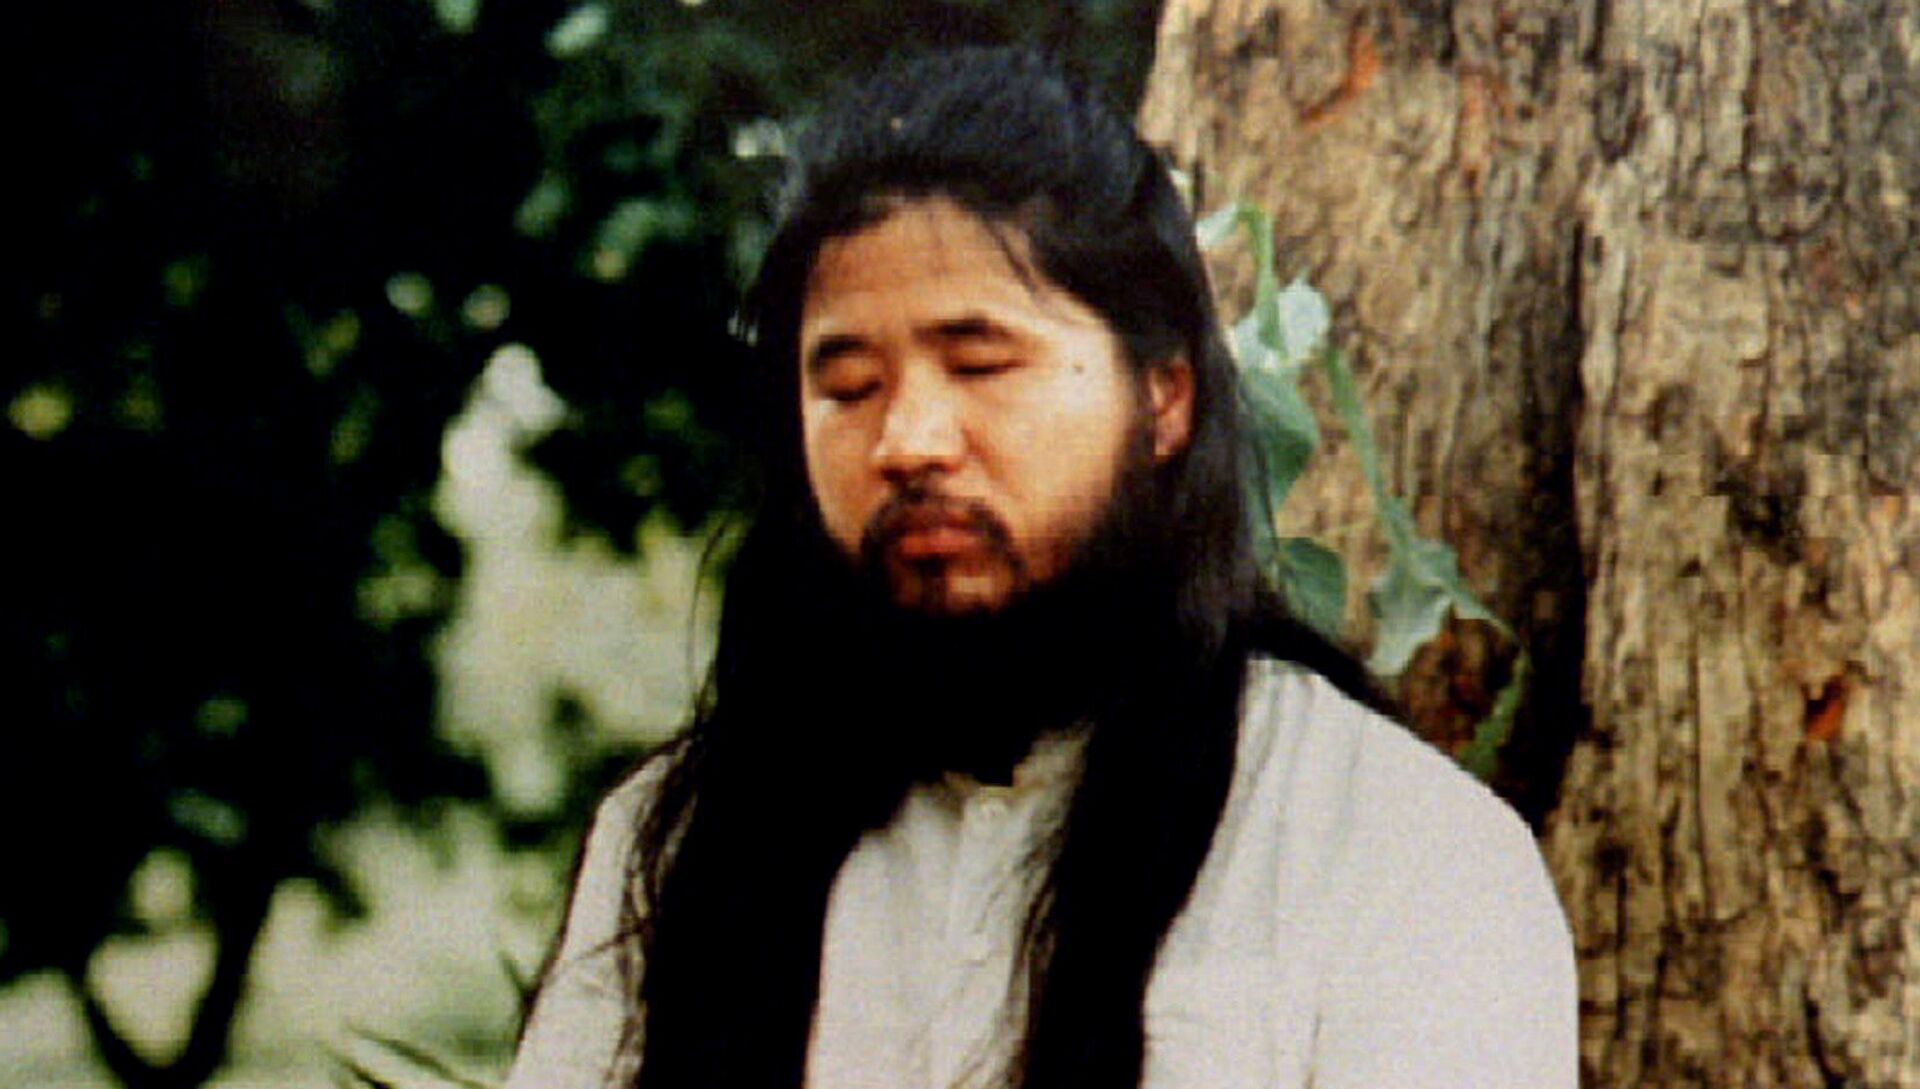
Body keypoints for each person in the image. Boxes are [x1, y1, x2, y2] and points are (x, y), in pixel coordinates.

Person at [506, 47, 1577, 1089]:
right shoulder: (683, 843)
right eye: (849, 387)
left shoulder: (1393, 848)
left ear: (1163, 398)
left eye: (980, 365)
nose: (908, 441)